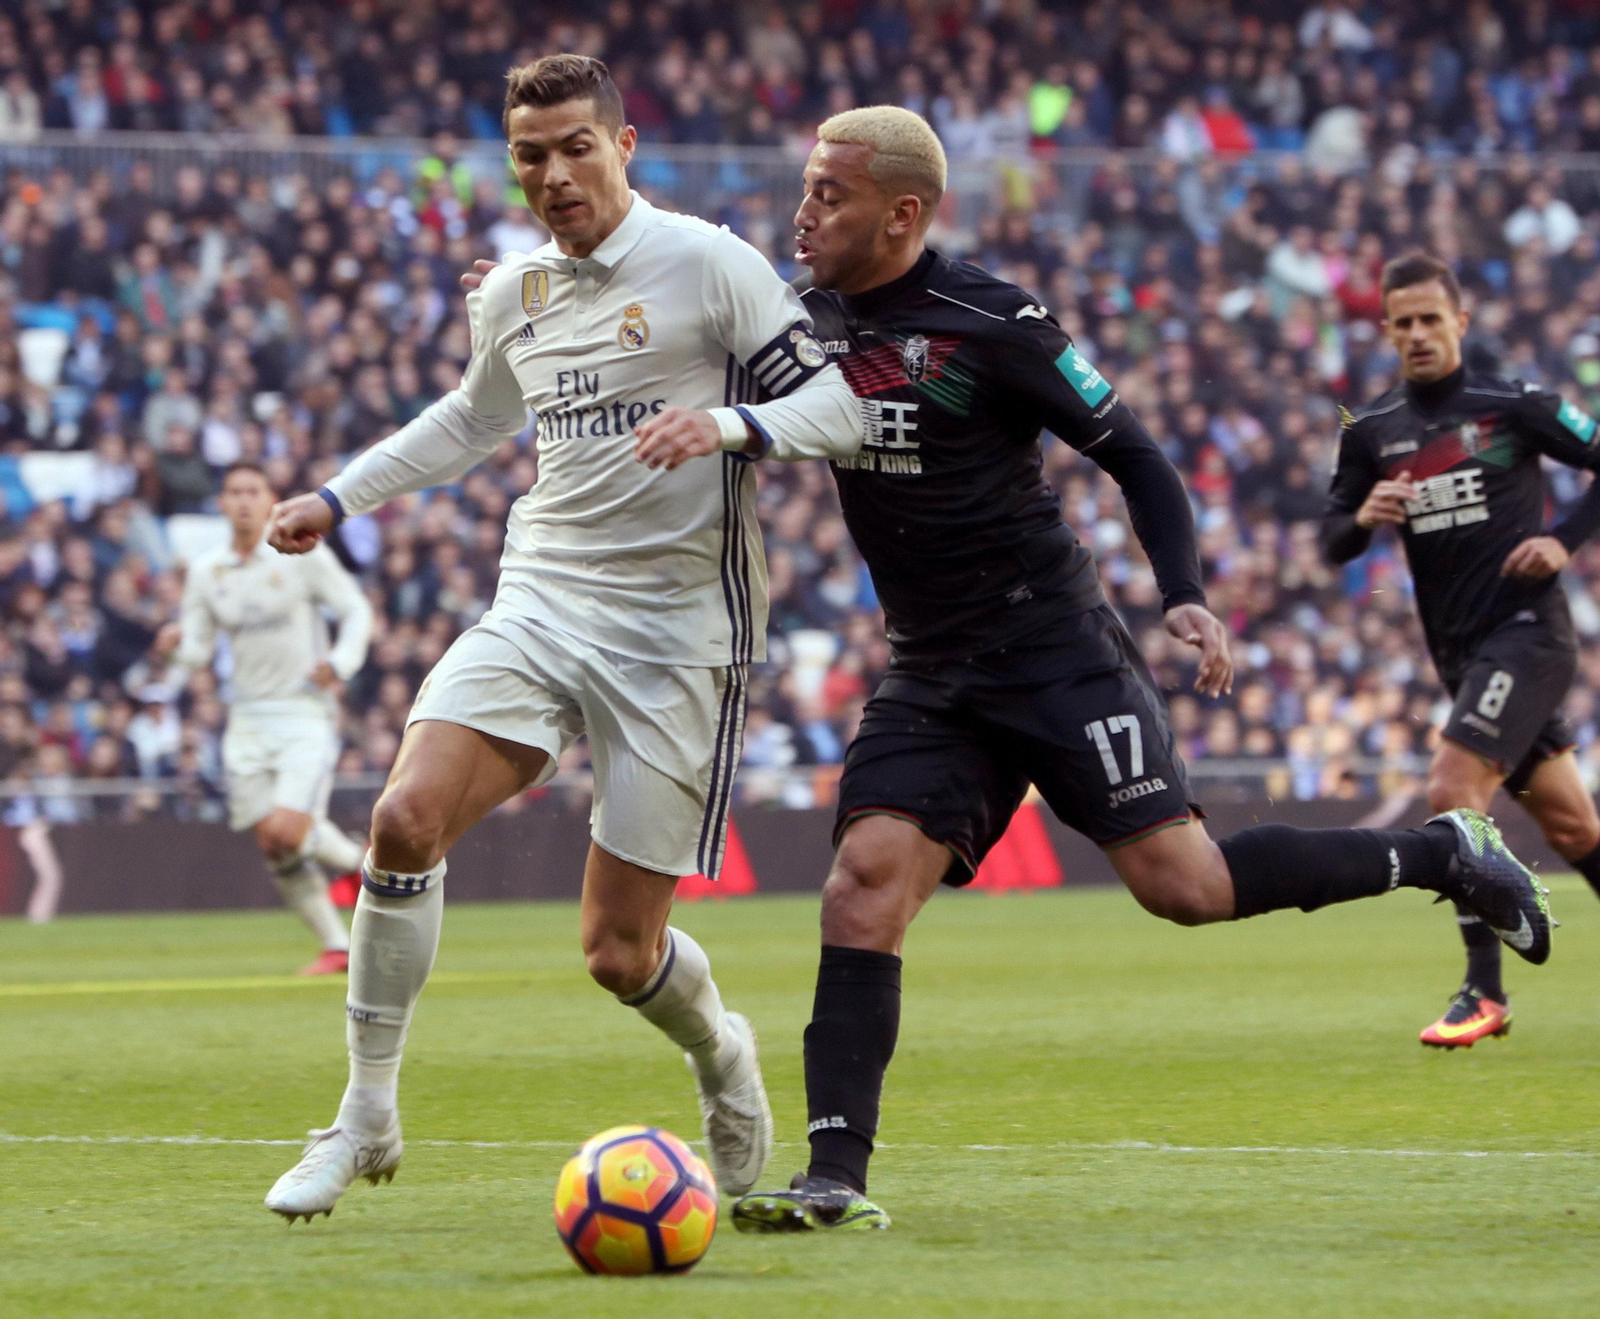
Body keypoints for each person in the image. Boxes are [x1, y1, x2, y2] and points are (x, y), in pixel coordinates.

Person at [683, 108, 1548, 1234]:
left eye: (828, 196)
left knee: (1182, 887)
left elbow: (1135, 455)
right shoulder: (797, 321)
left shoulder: (995, 324)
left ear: (903, 214)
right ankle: (835, 1178)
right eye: (803, 189)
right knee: (860, 884)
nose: (802, 214)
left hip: (1050, 643)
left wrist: (1182, 590)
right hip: (933, 663)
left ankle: (1438, 850)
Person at [261, 55, 863, 1223]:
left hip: (678, 632)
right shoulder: (515, 293)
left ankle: (721, 1052)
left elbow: (834, 408)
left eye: (575, 147)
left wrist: (728, 424)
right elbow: (473, 418)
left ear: (623, 146)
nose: (552, 174)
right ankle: (365, 1112)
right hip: (539, 598)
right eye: (529, 155)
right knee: (399, 817)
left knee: (618, 953)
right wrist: (338, 497)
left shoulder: (708, 262)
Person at [1321, 251, 1600, 1049]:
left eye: (1430, 319)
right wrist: (1363, 517)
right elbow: (1333, 537)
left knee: (1452, 789)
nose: (1417, 334)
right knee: (1576, 828)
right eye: (1402, 322)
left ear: (1461, 322)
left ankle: (1484, 990)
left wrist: (1562, 541)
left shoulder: (1512, 405)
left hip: (1529, 636)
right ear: (1385, 329)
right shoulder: (1373, 432)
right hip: (1462, 656)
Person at [154, 461, 372, 975]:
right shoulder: (209, 573)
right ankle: (337, 946)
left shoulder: (303, 556)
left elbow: (356, 609)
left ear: (271, 498)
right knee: (273, 845)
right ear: (223, 504)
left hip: (304, 714)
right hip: (246, 719)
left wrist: (341, 663)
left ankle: (373, 867)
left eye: (254, 491)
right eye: (235, 492)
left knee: (289, 830)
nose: (245, 500)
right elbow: (199, 650)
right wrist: (172, 651)